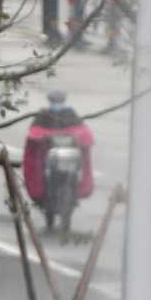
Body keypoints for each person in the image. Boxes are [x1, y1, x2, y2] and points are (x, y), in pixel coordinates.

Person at [22, 90, 96, 233]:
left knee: (77, 170)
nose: (57, 105)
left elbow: (82, 130)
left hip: (69, 158)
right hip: (50, 158)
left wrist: (80, 137)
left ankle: (75, 194)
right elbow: (34, 133)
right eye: (55, 102)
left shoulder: (71, 115)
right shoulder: (43, 115)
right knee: (41, 171)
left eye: (59, 102)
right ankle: (44, 197)